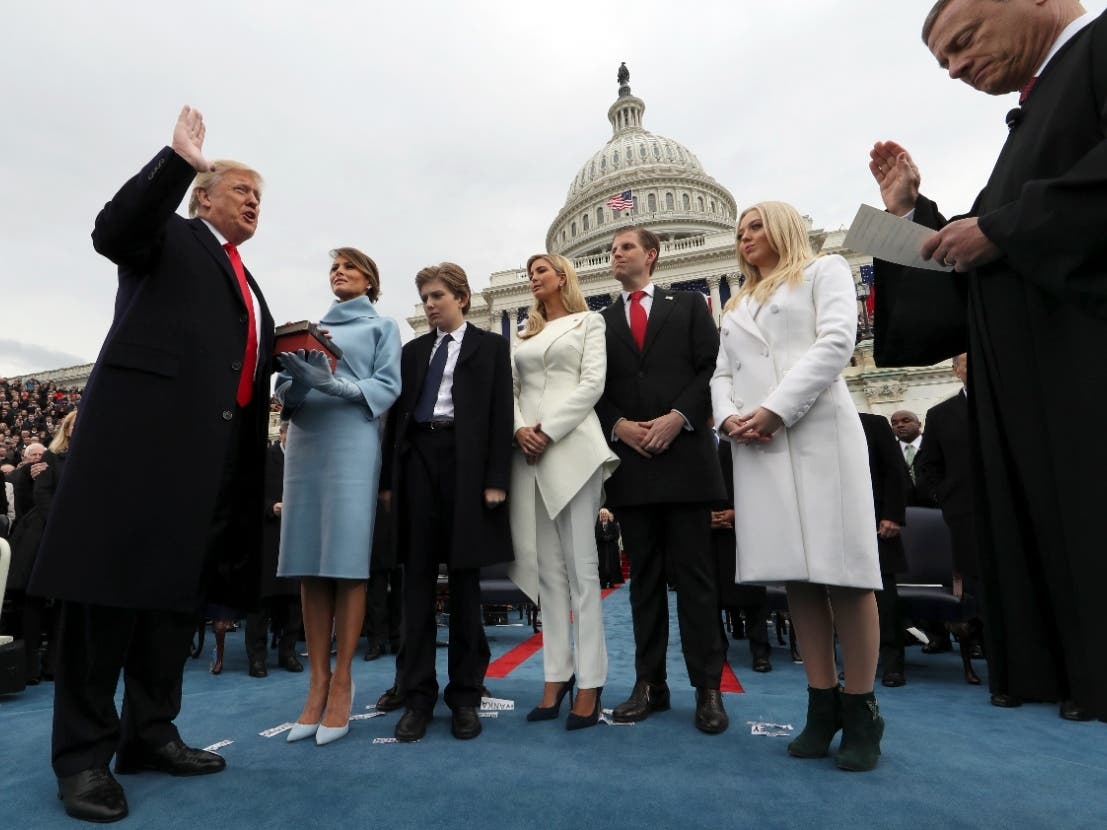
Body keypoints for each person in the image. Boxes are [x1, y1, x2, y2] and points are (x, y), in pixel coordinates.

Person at [29, 107, 275, 823]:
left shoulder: (245, 279)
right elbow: (113, 229)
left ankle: (151, 734)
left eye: (261, 197)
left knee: (171, 607)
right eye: (241, 190)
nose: (254, 202)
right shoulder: (168, 232)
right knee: (103, 604)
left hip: (209, 465)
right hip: (138, 456)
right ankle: (82, 759)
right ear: (203, 195)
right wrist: (177, 160)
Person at [870, 0, 1107, 722]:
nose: (954, 68)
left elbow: (1013, 231)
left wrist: (1002, 228)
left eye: (962, 42)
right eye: (942, 62)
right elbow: (969, 272)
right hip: (1034, 387)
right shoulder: (1032, 114)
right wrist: (910, 219)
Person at [711, 202, 884, 770]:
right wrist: (727, 418)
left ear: (783, 227)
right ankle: (821, 702)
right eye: (740, 231)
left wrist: (775, 409)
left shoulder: (824, 270)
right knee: (799, 579)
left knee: (846, 573)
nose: (745, 237)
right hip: (757, 446)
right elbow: (720, 373)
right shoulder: (736, 303)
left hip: (817, 435)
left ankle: (861, 708)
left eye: (756, 225)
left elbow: (837, 342)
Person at [596, 226, 730, 735]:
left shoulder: (690, 305)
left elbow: (710, 369)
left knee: (696, 582)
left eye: (625, 247)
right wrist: (618, 425)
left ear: (651, 255)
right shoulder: (601, 320)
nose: (616, 254)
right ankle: (649, 684)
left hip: (685, 457)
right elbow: (597, 386)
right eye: (611, 249)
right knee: (643, 584)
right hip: (633, 463)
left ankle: (708, 689)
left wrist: (679, 416)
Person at [381, 262, 514, 743]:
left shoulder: (492, 347)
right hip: (416, 460)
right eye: (424, 298)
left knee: (464, 584)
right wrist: (388, 481)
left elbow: (503, 415)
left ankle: (464, 696)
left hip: (467, 466)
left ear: (461, 296)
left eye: (437, 296)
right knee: (414, 584)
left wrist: (497, 478)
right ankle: (416, 696)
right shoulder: (412, 352)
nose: (429, 305)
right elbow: (396, 419)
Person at [276, 247, 402, 746]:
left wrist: (336, 384)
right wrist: (299, 385)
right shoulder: (305, 331)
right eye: (333, 267)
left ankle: (343, 681)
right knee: (308, 561)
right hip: (306, 442)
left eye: (350, 267)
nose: (339, 273)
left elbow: (387, 387)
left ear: (370, 280)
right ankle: (316, 684)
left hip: (353, 440)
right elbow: (287, 395)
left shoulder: (383, 326)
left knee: (346, 561)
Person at [508, 253, 619, 730]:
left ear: (562, 278)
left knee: (582, 571)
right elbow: (510, 390)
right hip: (527, 453)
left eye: (542, 271)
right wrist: (519, 431)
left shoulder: (589, 322)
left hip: (571, 446)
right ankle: (556, 675)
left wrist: (547, 430)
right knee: (547, 571)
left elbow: (592, 384)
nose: (533, 278)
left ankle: (591, 680)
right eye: (529, 272)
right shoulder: (523, 334)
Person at [243, 421, 304, 678]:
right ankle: (257, 658)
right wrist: (272, 507)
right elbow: (248, 494)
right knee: (262, 602)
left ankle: (288, 652)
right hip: (268, 537)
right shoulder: (265, 459)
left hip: (298, 539)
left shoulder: (308, 461)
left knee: (293, 601)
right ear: (282, 433)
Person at [858, 412, 910, 688]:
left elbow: (895, 471)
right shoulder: (817, 431)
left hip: (878, 524)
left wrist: (892, 514)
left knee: (884, 600)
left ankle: (892, 663)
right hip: (838, 528)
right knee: (849, 599)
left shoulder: (873, 423)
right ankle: (861, 662)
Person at [711, 437, 771, 673]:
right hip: (709, 533)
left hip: (745, 531)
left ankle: (760, 652)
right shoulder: (694, 439)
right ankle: (717, 651)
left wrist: (739, 512)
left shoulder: (735, 441)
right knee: (711, 597)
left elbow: (762, 483)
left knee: (753, 595)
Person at [595, 509, 622, 589]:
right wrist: (603, 538)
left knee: (611, 566)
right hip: (602, 549)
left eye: (605, 514)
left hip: (611, 549)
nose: (604, 516)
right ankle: (603, 583)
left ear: (607, 515)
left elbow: (616, 535)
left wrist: (610, 537)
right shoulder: (598, 525)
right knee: (602, 566)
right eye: (602, 515)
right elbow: (597, 536)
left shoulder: (613, 524)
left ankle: (611, 582)